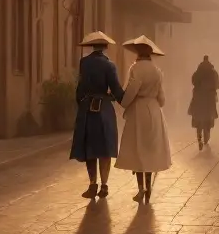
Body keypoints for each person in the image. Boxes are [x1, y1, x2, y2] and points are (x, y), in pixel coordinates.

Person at [116, 35, 172, 203]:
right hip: (154, 110)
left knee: (137, 150)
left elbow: (131, 91)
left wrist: (123, 102)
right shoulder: (157, 71)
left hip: (139, 111)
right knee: (150, 150)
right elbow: (162, 98)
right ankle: (149, 187)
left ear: (138, 53)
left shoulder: (136, 68)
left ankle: (141, 189)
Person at [70, 31, 124, 199]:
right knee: (105, 148)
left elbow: (80, 88)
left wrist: (81, 103)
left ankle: (93, 184)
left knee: (90, 148)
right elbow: (115, 89)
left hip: (87, 108)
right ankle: (105, 185)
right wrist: (123, 100)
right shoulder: (109, 66)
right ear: (106, 47)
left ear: (92, 46)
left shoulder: (84, 63)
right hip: (104, 109)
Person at [189, 55, 219, 150]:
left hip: (198, 97)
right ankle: (207, 135)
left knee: (198, 117)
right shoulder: (213, 73)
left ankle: (199, 138)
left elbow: (193, 82)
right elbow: (218, 84)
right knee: (209, 116)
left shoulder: (197, 72)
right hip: (209, 98)